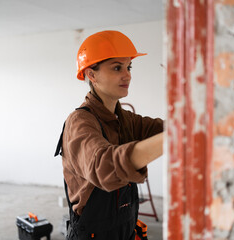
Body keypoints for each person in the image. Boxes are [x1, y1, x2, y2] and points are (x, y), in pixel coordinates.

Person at [55, 30, 163, 240]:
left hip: (125, 230)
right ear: (92, 75)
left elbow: (162, 129)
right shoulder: (80, 122)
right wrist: (175, 138)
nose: (128, 75)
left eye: (128, 67)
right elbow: (103, 166)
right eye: (117, 67)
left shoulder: (123, 119)